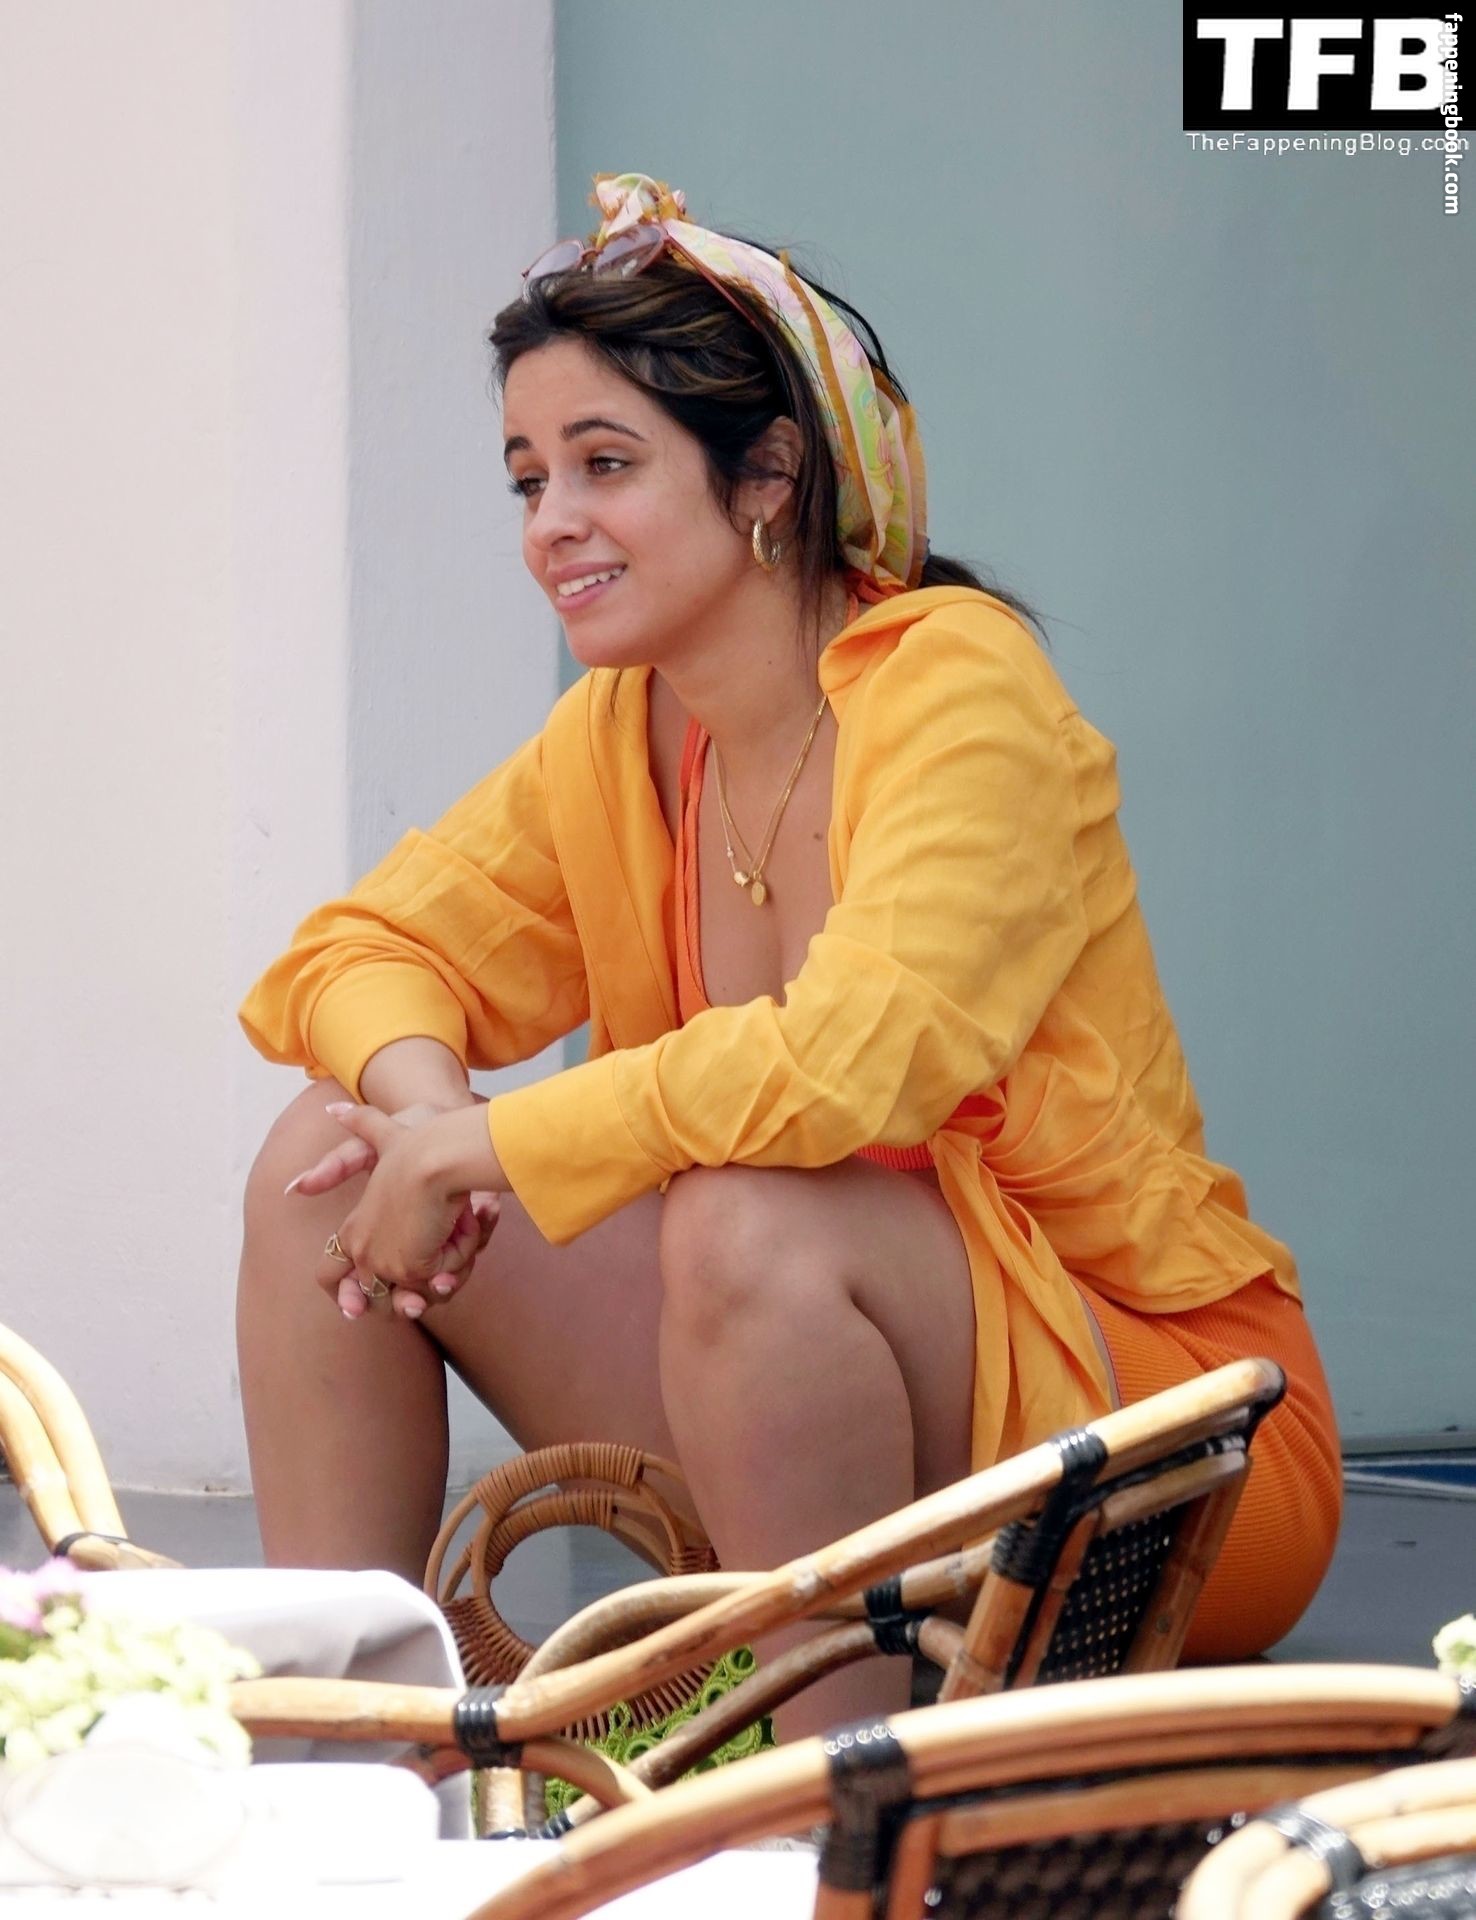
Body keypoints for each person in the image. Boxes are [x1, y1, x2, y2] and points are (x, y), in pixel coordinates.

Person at [237, 173, 1341, 1734]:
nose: (552, 524)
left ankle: (819, 1808)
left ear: (767, 474)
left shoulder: (959, 688)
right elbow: (360, 951)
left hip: (1166, 1453)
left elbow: (855, 1066)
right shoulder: (624, 733)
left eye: (606, 464)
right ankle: (355, 1754)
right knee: (326, 1158)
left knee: (750, 1216)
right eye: (529, 477)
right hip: (800, 1396)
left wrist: (483, 1147)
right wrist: (423, 1128)